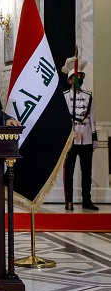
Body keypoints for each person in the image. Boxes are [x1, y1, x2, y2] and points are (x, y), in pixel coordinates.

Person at [62, 59, 98, 211]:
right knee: (69, 171)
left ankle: (87, 200)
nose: (79, 80)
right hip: (71, 138)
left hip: (86, 138)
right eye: (76, 77)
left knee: (87, 171)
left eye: (81, 77)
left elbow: (93, 118)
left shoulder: (88, 96)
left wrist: (94, 137)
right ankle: (68, 201)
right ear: (70, 80)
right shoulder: (64, 96)